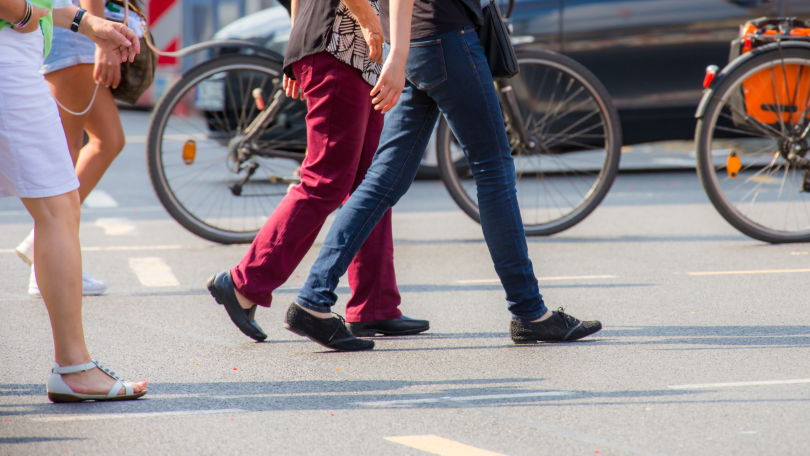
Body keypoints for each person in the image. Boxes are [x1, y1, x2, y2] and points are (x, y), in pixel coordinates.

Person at [286, 0, 602, 349]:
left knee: (383, 180)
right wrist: (399, 55)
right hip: (443, 38)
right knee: (493, 168)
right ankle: (530, 312)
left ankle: (313, 299)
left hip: (415, 41)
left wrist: (400, 51)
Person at [206, 0, 429, 349]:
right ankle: (243, 283)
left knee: (371, 183)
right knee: (324, 180)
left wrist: (297, 44)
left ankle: (375, 303)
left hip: (349, 53)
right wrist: (371, 25)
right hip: (338, 48)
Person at [0, 0, 147, 401]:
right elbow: (33, 6)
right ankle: (74, 368)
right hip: (9, 57)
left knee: (60, 200)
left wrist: (87, 22)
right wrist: (24, 14)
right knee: (59, 205)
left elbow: (45, 4)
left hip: (23, 48)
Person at [13, 0, 131, 297]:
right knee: (63, 162)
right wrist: (101, 43)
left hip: (75, 32)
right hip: (75, 40)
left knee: (109, 140)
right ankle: (48, 265)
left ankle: (43, 250)